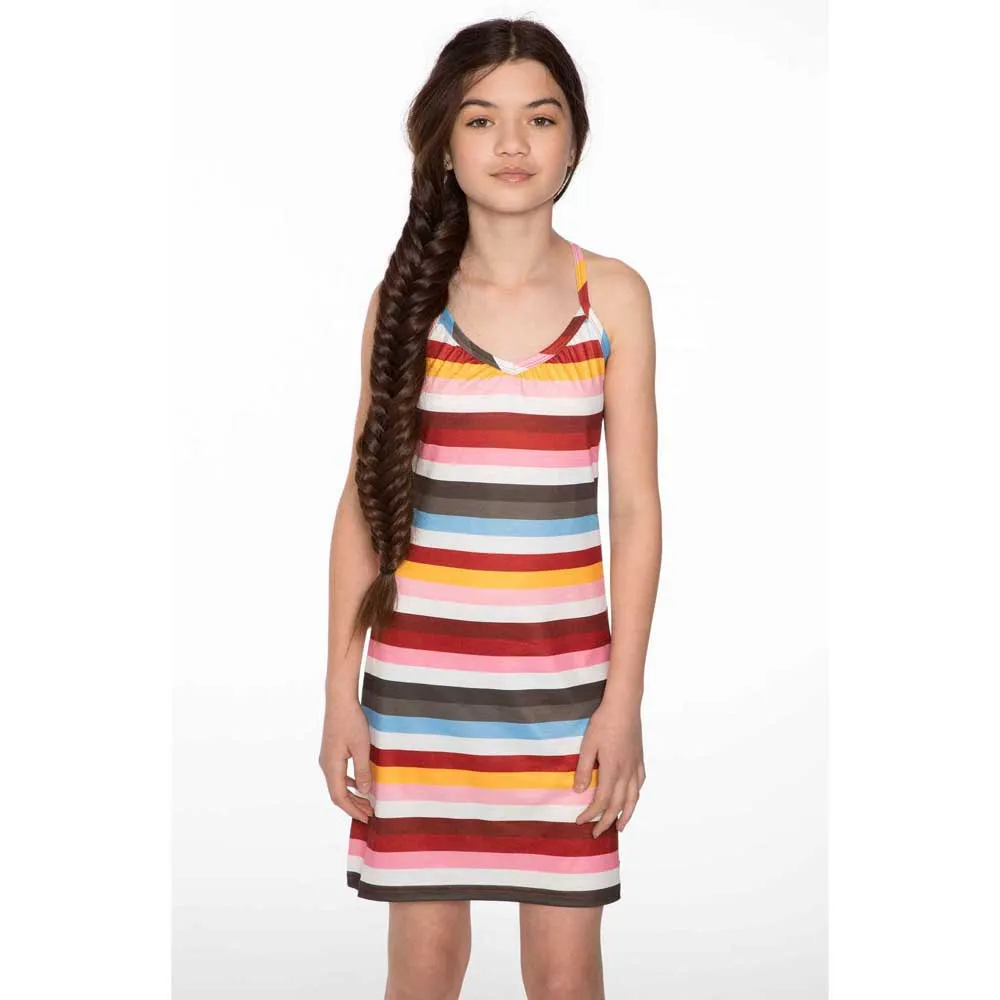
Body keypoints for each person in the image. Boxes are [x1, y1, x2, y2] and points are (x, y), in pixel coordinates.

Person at [319, 17, 661, 1000]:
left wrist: (623, 700)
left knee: (565, 975)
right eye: (481, 119)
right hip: (420, 696)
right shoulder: (405, 301)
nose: (512, 144)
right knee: (424, 969)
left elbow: (635, 510)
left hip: (565, 698)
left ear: (573, 140)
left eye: (539, 118)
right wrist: (341, 691)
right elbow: (361, 504)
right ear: (443, 142)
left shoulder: (613, 297)